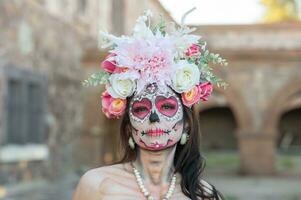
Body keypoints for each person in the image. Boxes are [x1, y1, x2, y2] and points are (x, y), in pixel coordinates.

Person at [73, 10, 227, 200]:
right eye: (140, 109)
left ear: (186, 124)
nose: (154, 118)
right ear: (129, 127)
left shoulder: (205, 196)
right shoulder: (96, 186)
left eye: (167, 107)